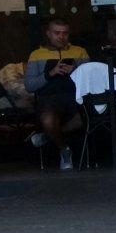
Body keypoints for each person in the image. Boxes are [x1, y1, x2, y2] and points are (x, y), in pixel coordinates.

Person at [25, 17, 90, 171]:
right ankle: (64, 150)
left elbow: (90, 79)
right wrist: (50, 74)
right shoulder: (36, 55)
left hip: (75, 98)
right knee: (48, 121)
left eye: (65, 33)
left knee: (85, 119)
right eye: (57, 33)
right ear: (48, 34)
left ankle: (46, 137)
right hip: (49, 100)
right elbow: (29, 85)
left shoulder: (79, 52)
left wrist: (75, 71)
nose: (61, 37)